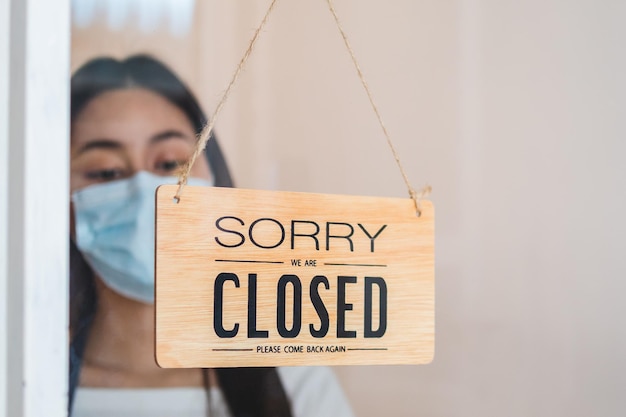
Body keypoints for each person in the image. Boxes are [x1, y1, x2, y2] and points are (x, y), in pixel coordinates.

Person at [69, 55, 354, 417]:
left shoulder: (292, 379)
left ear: (214, 181)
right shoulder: (29, 383)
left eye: (171, 164)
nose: (145, 192)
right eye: (106, 172)